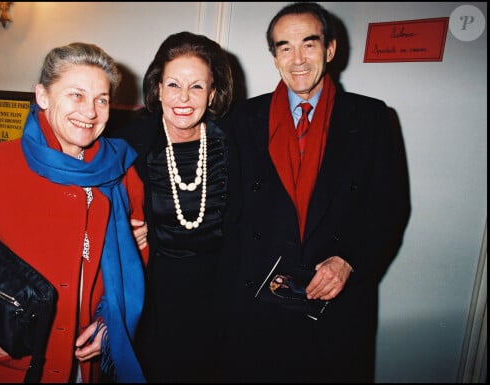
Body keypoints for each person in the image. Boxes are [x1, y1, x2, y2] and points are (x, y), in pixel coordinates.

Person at [0, 42, 149, 383]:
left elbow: (138, 253)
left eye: (101, 99)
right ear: (43, 96)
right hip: (5, 366)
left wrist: (111, 321)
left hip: (85, 369)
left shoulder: (122, 171)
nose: (91, 111)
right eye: (76, 95)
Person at [217, 2, 410, 382]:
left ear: (331, 49)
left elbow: (390, 208)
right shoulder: (241, 118)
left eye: (309, 44)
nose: (298, 59)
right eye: (284, 47)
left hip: (333, 302)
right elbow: (221, 206)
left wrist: (349, 260)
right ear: (274, 57)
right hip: (256, 301)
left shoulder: (372, 118)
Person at [105, 31, 233, 382]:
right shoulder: (126, 145)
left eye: (197, 87)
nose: (184, 98)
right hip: (152, 302)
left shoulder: (236, 144)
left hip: (219, 302)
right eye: (173, 84)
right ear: (157, 88)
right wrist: (117, 230)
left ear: (214, 92)